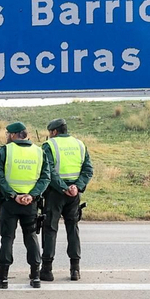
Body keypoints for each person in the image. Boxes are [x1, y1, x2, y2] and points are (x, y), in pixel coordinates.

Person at [0, 121, 50, 289]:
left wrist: (13, 195)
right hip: (31, 203)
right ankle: (36, 276)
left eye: (7, 134)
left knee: (7, 238)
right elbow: (45, 177)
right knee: (31, 237)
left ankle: (3, 278)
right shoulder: (39, 152)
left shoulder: (5, 150)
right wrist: (32, 195)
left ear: (12, 135)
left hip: (10, 202)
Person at [40, 118, 93, 283]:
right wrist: (77, 186)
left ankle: (47, 270)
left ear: (54, 131)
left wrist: (63, 187)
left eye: (50, 132)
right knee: (73, 229)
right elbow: (88, 169)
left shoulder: (49, 145)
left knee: (50, 229)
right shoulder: (80, 144)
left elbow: (48, 170)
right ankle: (75, 269)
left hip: (55, 193)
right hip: (74, 194)